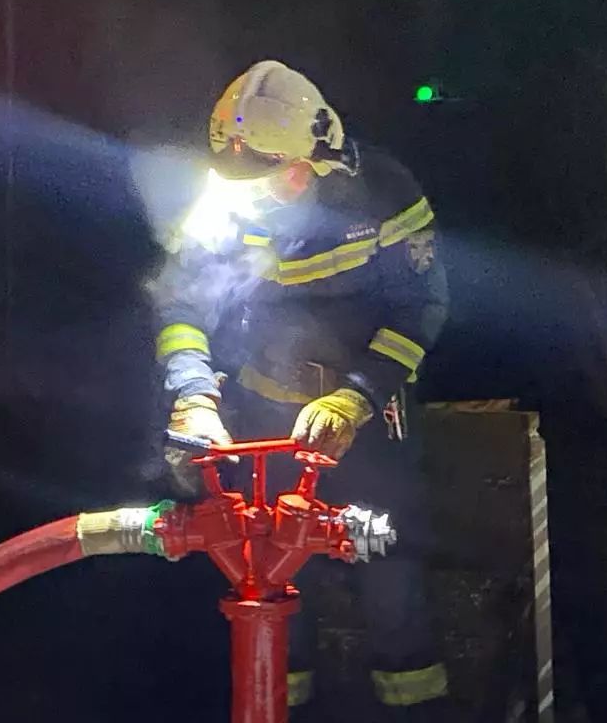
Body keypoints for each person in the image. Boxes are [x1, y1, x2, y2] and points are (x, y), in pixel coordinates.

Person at [151, 59, 451, 719]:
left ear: (309, 164)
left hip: (369, 419)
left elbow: (421, 307)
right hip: (262, 415)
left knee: (391, 576)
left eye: (268, 174)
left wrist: (357, 397)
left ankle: (415, 705)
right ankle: (284, 707)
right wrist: (194, 394)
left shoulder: (382, 193)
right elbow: (180, 308)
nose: (252, 191)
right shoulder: (221, 202)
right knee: (272, 575)